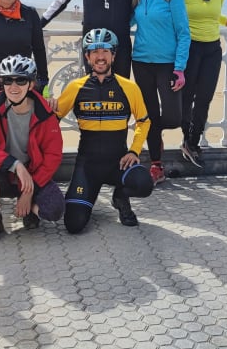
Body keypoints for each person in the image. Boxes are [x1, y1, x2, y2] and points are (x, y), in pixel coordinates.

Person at [56, 28, 154, 233]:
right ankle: (86, 200)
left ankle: (120, 197)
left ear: (113, 55)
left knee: (144, 183)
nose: (100, 57)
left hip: (117, 163)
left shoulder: (129, 87)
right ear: (87, 56)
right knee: (73, 225)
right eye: (94, 51)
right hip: (87, 167)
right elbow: (51, 121)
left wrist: (134, 151)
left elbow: (144, 121)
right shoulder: (75, 87)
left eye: (105, 51)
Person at [0, 55, 65, 244]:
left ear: (31, 84)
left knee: (54, 210)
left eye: (21, 80)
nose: (13, 87)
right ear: (1, 83)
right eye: (7, 80)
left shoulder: (44, 112)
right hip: (4, 173)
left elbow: (53, 155)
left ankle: (29, 210)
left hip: (33, 175)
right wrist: (15, 165)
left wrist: (29, 191)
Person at [130, 0, 190, 185]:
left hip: (167, 65)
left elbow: (184, 33)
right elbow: (127, 22)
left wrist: (179, 68)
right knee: (150, 115)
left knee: (174, 117)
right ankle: (156, 165)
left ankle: (153, 132)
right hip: (141, 62)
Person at [177, 0, 227, 167]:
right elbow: (175, 17)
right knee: (187, 97)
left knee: (205, 97)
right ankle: (186, 138)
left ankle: (193, 142)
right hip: (190, 48)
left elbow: (216, 16)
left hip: (212, 49)